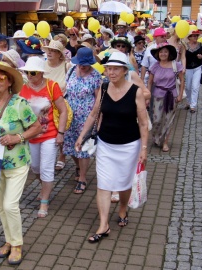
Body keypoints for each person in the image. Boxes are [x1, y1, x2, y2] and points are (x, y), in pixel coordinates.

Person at [75, 52, 148, 243]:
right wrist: (82, 135)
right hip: (106, 143)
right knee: (104, 184)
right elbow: (93, 114)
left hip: (129, 145)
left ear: (125, 70)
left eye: (116, 68)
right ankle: (103, 224)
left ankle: (123, 208)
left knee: (124, 184)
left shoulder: (136, 91)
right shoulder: (104, 87)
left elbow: (142, 122)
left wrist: (144, 148)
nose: (111, 72)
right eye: (109, 69)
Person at [0, 61, 41, 265]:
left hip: (17, 161)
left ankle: (17, 245)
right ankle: (8, 240)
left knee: (10, 204)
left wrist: (19, 137)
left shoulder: (19, 103)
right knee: (1, 205)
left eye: (0, 78)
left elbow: (36, 127)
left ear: (9, 82)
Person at [19, 57, 67, 218]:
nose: (30, 75)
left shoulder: (51, 86)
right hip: (31, 135)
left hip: (49, 134)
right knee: (35, 168)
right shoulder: (22, 87)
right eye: (27, 72)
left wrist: (60, 133)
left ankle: (44, 202)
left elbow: (63, 110)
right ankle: (45, 187)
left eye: (32, 73)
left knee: (46, 169)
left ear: (40, 73)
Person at [62, 47, 102, 194]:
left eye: (85, 64)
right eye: (80, 63)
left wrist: (97, 118)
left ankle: (82, 178)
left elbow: (99, 99)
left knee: (83, 148)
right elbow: (64, 89)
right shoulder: (72, 71)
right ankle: (78, 166)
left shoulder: (96, 76)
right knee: (70, 145)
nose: (83, 66)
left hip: (86, 116)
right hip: (70, 115)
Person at [147, 43, 184, 152]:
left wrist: (180, 94)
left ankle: (165, 142)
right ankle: (156, 137)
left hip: (172, 95)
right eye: (161, 52)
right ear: (158, 54)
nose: (163, 54)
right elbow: (149, 82)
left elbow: (182, 81)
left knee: (169, 120)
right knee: (156, 120)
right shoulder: (155, 66)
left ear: (169, 53)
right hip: (157, 95)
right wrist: (148, 97)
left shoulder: (175, 65)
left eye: (165, 52)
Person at [41, 40, 70, 171]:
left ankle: (62, 155)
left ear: (60, 54)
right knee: (47, 130)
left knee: (61, 130)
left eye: (53, 51)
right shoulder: (42, 66)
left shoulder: (67, 66)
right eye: (49, 50)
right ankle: (48, 156)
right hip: (45, 104)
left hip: (61, 102)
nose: (50, 53)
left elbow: (70, 84)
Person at [184, 29, 202, 113]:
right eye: (193, 36)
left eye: (196, 36)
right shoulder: (185, 46)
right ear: (189, 37)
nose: (195, 37)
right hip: (187, 68)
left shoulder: (201, 45)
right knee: (188, 86)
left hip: (197, 67)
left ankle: (193, 105)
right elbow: (182, 57)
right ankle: (188, 102)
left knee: (195, 86)